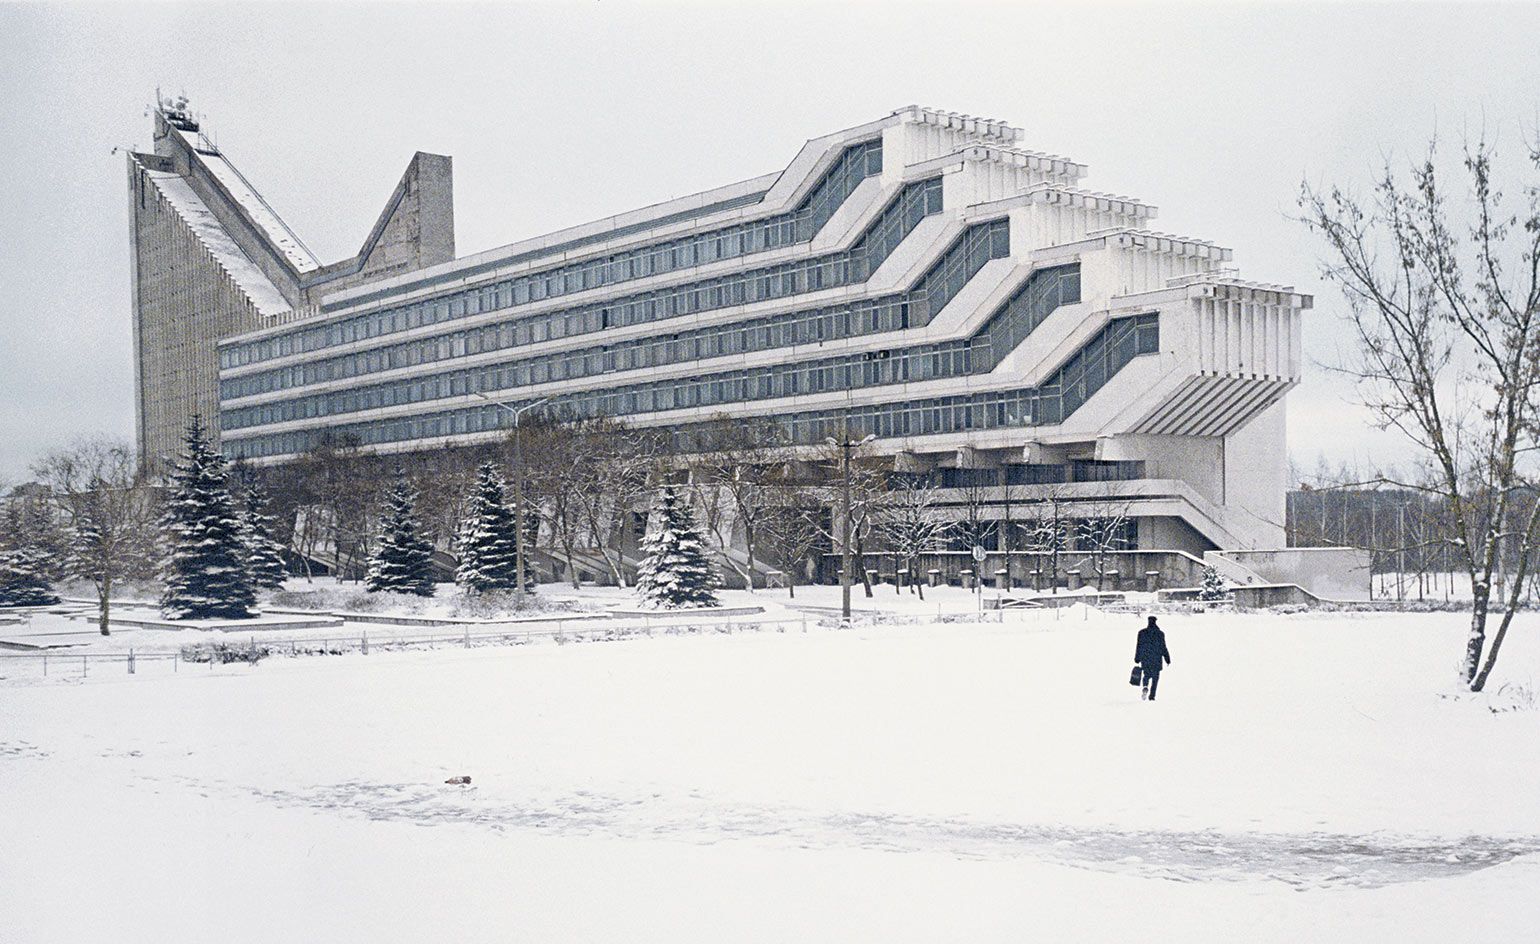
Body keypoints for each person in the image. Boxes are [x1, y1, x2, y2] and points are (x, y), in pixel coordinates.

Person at [1134, 616, 1171, 701]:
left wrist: (1137, 658)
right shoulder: (1160, 633)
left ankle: (1145, 686)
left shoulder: (1142, 633)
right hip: (1156, 658)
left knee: (1146, 675)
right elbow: (1163, 647)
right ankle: (1152, 696)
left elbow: (1138, 646)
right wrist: (1167, 658)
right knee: (1155, 678)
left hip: (1145, 658)